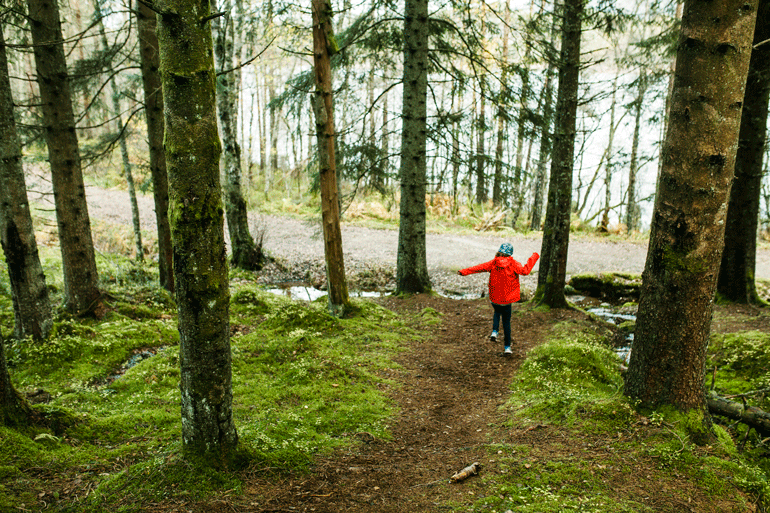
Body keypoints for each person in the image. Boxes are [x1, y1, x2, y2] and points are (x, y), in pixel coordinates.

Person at [457, 243, 539, 355]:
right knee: (506, 322)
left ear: (499, 252)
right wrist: (534, 256)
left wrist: (464, 271)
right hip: (507, 300)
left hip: (495, 298)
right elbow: (525, 271)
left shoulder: (493, 263)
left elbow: (479, 268)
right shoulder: (513, 263)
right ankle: (507, 348)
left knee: (496, 312)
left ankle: (495, 331)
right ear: (510, 253)